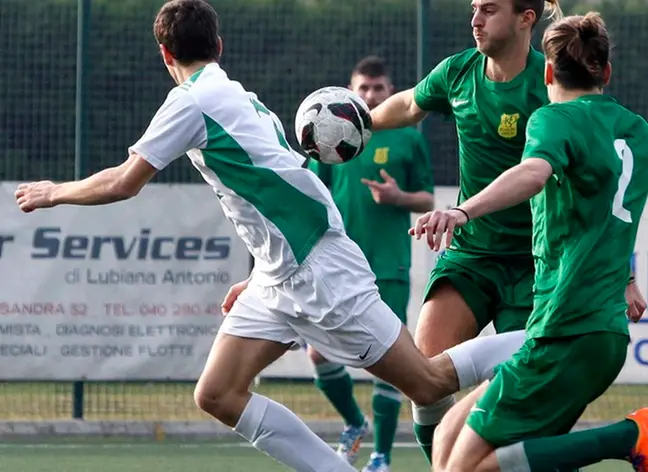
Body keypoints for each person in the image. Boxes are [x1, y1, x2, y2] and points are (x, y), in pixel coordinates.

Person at [12, 1, 531, 471]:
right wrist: (261, 272)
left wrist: (56, 192)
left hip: (322, 273)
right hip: (280, 274)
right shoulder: (235, 93)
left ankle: (551, 337)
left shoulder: (192, 100)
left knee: (430, 382)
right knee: (218, 393)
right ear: (219, 47)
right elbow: (277, 187)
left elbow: (125, 181)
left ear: (164, 53)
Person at [411, 12, 648, 472]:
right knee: (446, 446)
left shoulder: (552, 120)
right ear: (607, 73)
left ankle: (631, 435)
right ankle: (630, 436)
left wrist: (462, 210)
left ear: (549, 71)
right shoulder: (634, 129)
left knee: (462, 469)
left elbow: (533, 173)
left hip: (567, 331)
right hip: (579, 333)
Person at [366, 0, 648, 461]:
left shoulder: (553, 85)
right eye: (474, 8)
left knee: (526, 415)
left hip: (540, 272)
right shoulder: (458, 72)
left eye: (489, 9)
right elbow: (409, 103)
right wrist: (362, 120)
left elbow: (606, 186)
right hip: (472, 257)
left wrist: (626, 275)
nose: (475, 18)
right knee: (424, 378)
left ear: (526, 19)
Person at [306, 56, 435, 471]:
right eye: (363, 88)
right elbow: (311, 196)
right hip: (338, 265)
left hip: (389, 263)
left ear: (389, 91)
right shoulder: (330, 136)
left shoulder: (407, 138)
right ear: (350, 90)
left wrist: (399, 198)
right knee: (317, 356)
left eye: (378, 89)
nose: (370, 95)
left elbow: (428, 199)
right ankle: (353, 423)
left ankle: (381, 457)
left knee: (390, 362)